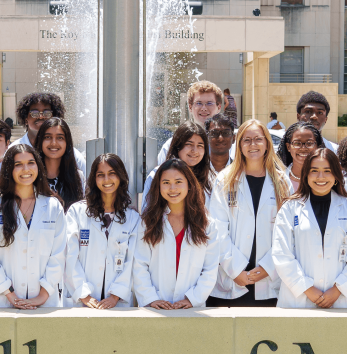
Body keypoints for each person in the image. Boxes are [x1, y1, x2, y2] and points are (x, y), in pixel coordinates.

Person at [208, 120, 290, 307]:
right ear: (239, 145)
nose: (253, 145)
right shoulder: (225, 179)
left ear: (267, 143)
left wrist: (268, 268)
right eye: (247, 140)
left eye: (258, 139)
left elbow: (287, 233)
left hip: (269, 281)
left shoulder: (282, 181)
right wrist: (236, 271)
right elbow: (217, 229)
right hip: (232, 281)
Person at [271, 148, 347, 308]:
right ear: (306, 175)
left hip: (343, 300)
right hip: (300, 299)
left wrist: (338, 289)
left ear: (336, 175)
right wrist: (306, 288)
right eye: (314, 171)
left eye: (327, 171)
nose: (320, 177)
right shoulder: (290, 208)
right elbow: (282, 254)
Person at [0, 144, 67, 309]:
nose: (25, 169)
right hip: (1, 302)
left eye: (31, 163)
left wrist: (43, 295)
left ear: (38, 166)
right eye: (18, 164)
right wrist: (9, 293)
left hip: (44, 303)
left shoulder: (52, 206)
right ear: (8, 169)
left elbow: (59, 255)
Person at [133, 158, 220, 309]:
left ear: (189, 185)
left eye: (178, 181)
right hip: (155, 307)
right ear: (158, 186)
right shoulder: (148, 222)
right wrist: (151, 298)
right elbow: (140, 265)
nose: (172, 188)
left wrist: (192, 299)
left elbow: (210, 269)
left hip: (192, 308)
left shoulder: (207, 224)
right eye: (166, 182)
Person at [65, 153, 141, 308]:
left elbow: (132, 259)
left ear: (121, 177)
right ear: (94, 179)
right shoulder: (77, 212)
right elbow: (70, 255)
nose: (106, 180)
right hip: (82, 300)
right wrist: (84, 294)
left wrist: (115, 296)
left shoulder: (132, 218)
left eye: (112, 174)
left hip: (116, 302)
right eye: (101, 175)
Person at [142, 121, 213, 206]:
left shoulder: (210, 178)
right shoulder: (157, 176)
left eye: (200, 146)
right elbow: (147, 214)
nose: (195, 151)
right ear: (177, 146)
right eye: (189, 144)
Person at [12, 92, 88, 170]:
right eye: (34, 113)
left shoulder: (73, 156)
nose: (41, 116)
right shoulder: (12, 151)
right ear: (25, 119)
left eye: (47, 113)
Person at [156, 80, 225, 161]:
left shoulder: (229, 145)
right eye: (199, 103)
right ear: (190, 107)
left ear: (219, 107)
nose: (204, 108)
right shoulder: (172, 145)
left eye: (209, 103)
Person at [32, 117, 85, 210]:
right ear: (40, 141)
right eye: (48, 137)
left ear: (67, 143)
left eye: (60, 138)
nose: (53, 143)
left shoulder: (77, 177)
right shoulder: (31, 175)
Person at [278, 121, 324, 193]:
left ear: (317, 146)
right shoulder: (277, 179)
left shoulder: (327, 178)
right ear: (288, 147)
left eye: (309, 143)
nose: (303, 148)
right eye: (297, 143)